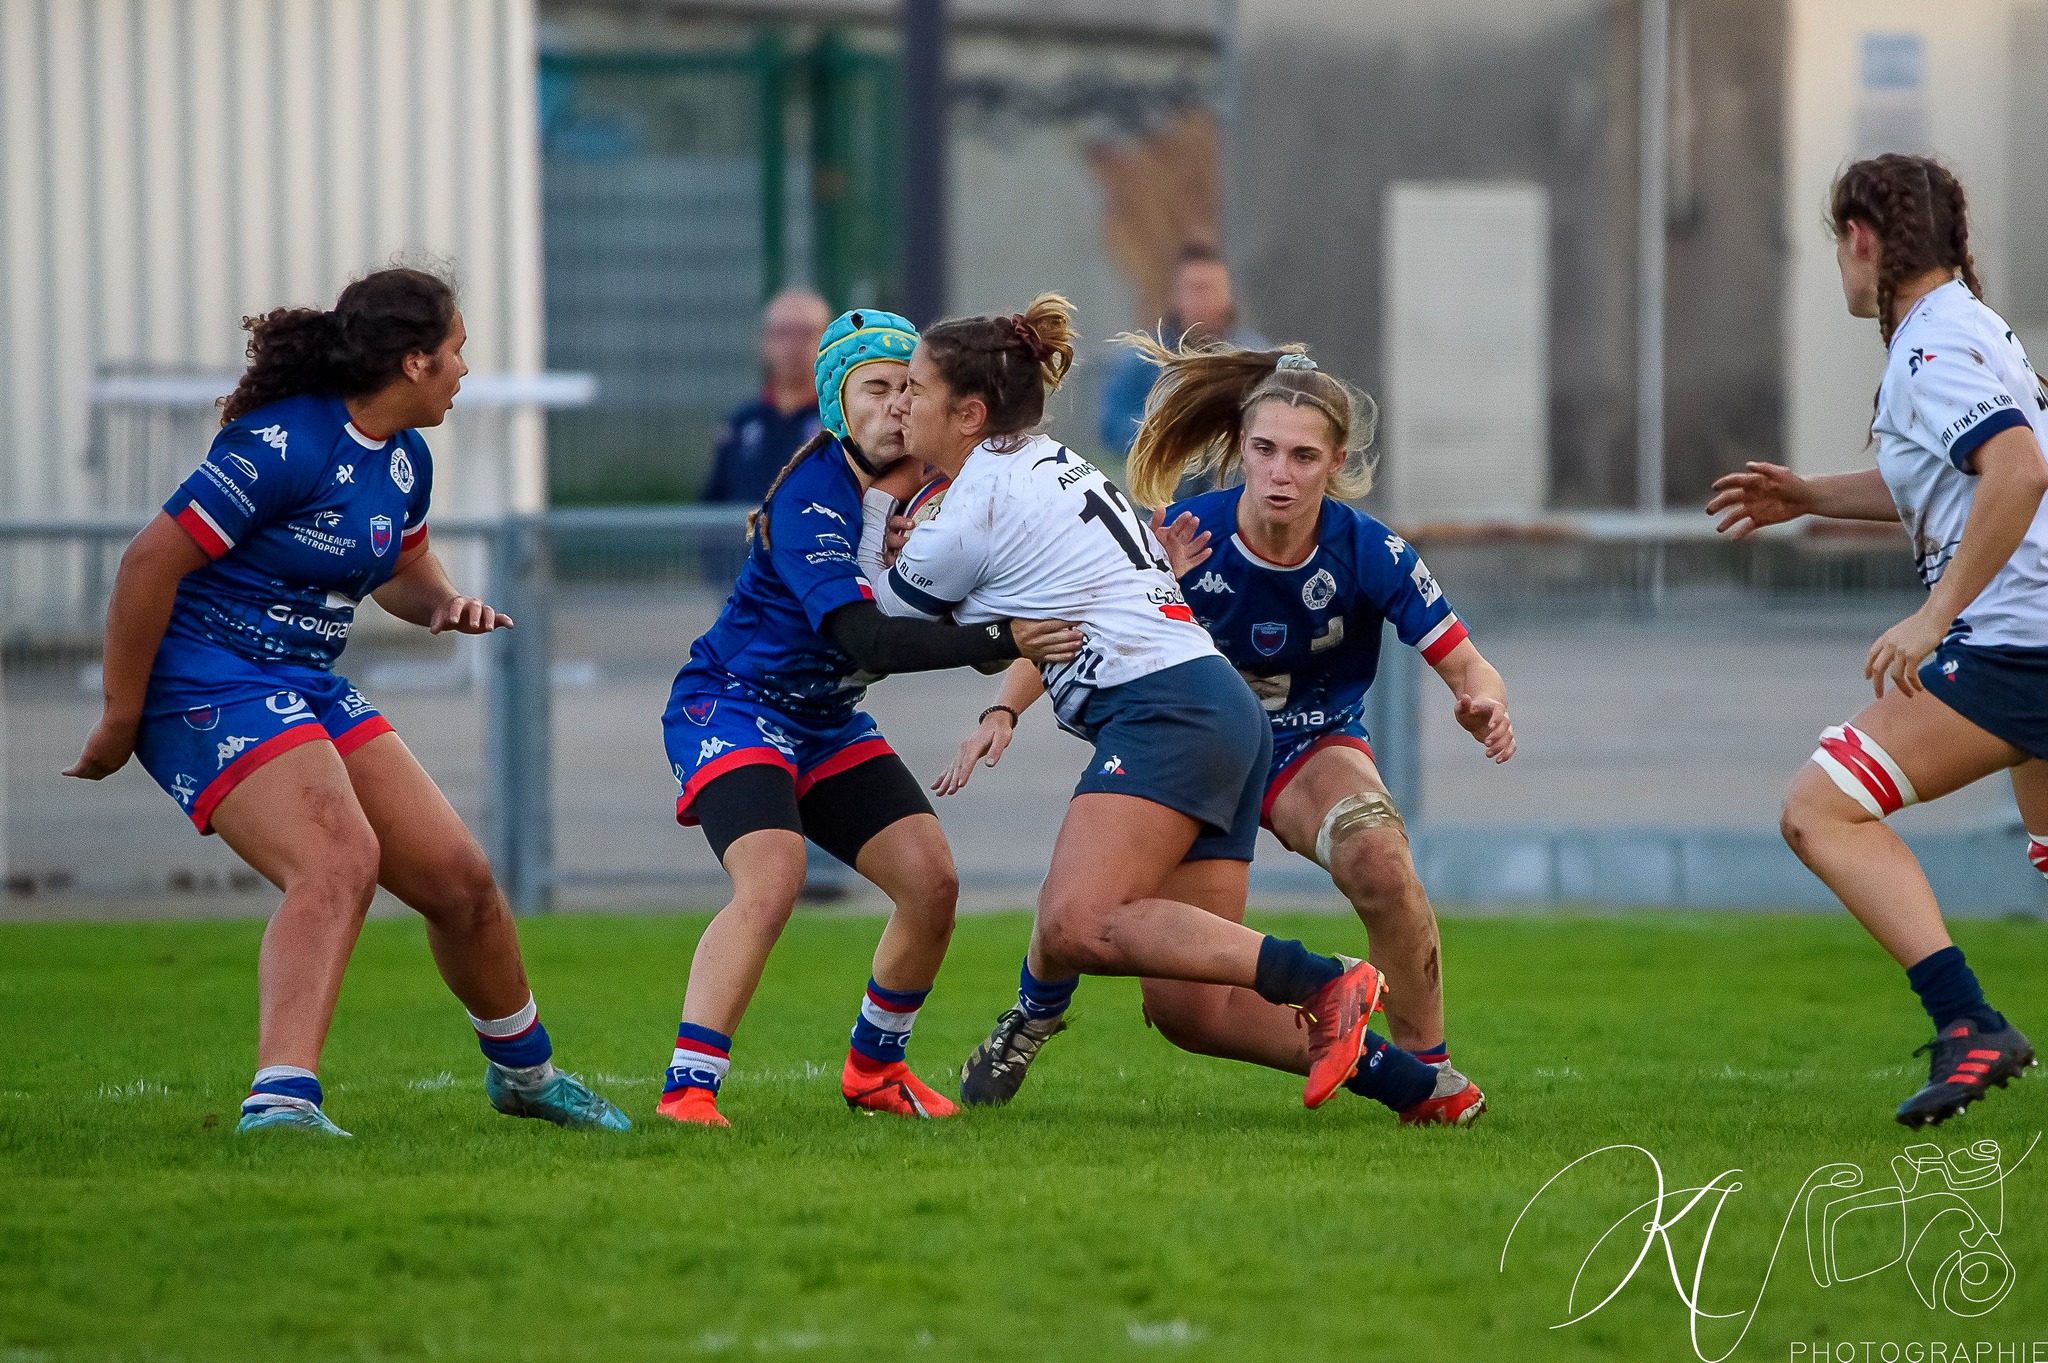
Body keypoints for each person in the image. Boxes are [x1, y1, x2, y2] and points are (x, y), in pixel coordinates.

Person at [63, 268, 628, 1137]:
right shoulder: (284, 444)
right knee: (335, 858)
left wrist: (440, 600)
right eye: (456, 352)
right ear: (412, 361)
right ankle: (281, 1100)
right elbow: (149, 563)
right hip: (208, 679)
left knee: (461, 881)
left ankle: (526, 1073)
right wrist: (119, 713)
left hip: (302, 682)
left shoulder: (405, 458)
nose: (464, 370)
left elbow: (401, 567)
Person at [938, 339, 1500, 1125]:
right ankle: (1387, 1064)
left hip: (1308, 749)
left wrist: (1483, 701)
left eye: (1303, 456)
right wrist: (1003, 708)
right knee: (1183, 1009)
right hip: (1197, 754)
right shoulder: (1182, 534)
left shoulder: (1369, 550)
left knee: (1378, 855)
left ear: (1334, 462)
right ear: (1240, 449)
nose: (1280, 472)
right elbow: (1077, 623)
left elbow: (1470, 663)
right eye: (1265, 449)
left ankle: (1431, 1073)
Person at [875, 294, 1401, 1114]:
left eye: (913, 388)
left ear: (969, 412)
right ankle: (1422, 1084)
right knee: (1192, 1006)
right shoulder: (1049, 464)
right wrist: (1003, 689)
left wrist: (880, 521)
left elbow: (874, 631)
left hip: (1171, 714)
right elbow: (1030, 624)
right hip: (1217, 709)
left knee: (1079, 922)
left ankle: (1326, 980)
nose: (900, 404)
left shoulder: (975, 499)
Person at [655, 309, 1082, 1128]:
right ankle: (688, 1087)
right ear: (834, 407)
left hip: (826, 716)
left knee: (931, 882)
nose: (895, 405)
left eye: (908, 387)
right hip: (735, 704)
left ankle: (875, 1069)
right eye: (875, 389)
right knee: (772, 876)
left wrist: (1003, 623)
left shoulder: (939, 487)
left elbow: (981, 638)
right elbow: (867, 636)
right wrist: (999, 633)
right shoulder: (815, 494)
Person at [1706, 153, 2038, 1127]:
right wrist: (1810, 496)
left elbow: (2016, 472)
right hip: (2030, 632)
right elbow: (1958, 479)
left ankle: (1966, 1022)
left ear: (1860, 241)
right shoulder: (1970, 328)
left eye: (1837, 247)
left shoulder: (1928, 351)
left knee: (1819, 811)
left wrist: (1934, 618)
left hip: (2013, 642)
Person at [1097, 244, 1269, 462]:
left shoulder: (1253, 357)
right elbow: (1110, 429)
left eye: (1209, 288)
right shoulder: (1143, 357)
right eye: (1193, 289)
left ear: (1227, 295)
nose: (1201, 299)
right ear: (1176, 296)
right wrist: (1176, 427)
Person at [702, 288, 831, 506]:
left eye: (805, 333)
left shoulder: (841, 422)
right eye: (782, 333)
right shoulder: (740, 423)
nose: (793, 346)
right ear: (763, 343)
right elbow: (711, 508)